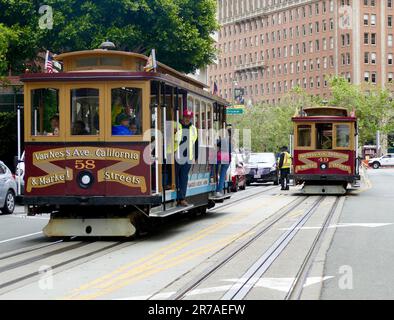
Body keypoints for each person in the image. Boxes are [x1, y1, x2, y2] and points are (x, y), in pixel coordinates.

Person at [174, 109, 198, 207]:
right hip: (176, 155)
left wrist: (196, 156)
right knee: (175, 177)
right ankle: (175, 198)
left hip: (188, 157)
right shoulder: (176, 125)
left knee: (184, 178)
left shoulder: (193, 129)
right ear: (182, 117)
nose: (187, 119)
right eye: (185, 117)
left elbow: (196, 143)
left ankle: (182, 199)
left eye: (189, 117)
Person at [215, 126, 232, 197]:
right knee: (222, 175)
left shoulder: (224, 139)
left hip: (221, 157)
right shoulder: (232, 140)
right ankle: (219, 191)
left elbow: (217, 143)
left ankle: (212, 179)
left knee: (215, 168)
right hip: (228, 159)